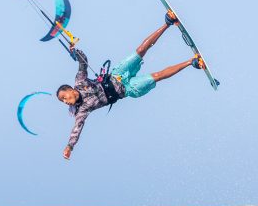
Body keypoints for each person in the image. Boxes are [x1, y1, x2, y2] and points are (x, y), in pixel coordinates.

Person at [56, 11, 204, 159]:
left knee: (140, 50)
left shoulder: (80, 81)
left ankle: (168, 22)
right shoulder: (82, 110)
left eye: (64, 97)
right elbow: (76, 129)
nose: (65, 101)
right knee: (156, 76)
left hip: (117, 74)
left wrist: (75, 52)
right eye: (63, 101)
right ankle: (192, 62)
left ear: (69, 89)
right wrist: (70, 147)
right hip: (127, 89)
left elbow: (83, 61)